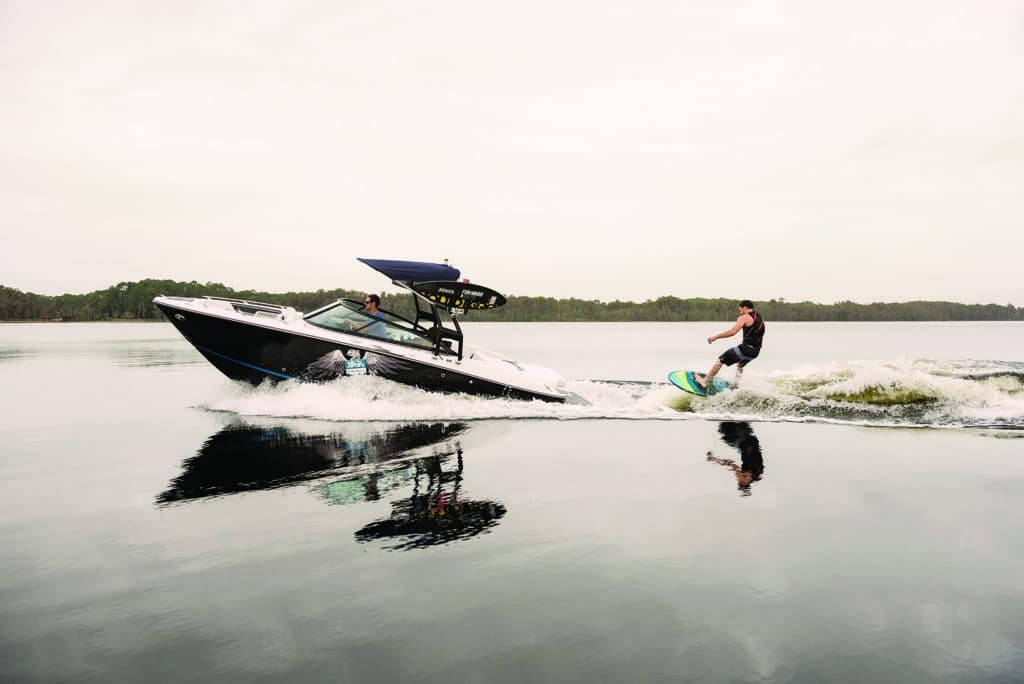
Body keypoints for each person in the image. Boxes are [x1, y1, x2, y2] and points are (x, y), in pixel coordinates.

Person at [695, 299, 765, 390]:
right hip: (755, 352)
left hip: (746, 349)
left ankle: (705, 382)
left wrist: (715, 337)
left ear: (744, 307)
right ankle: (735, 385)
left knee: (720, 360)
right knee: (740, 365)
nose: (740, 312)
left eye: (740, 310)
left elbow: (732, 332)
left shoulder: (744, 317)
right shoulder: (760, 317)